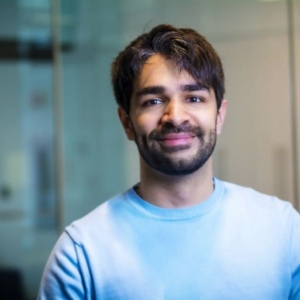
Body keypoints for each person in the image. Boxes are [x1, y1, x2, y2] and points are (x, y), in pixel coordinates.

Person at [38, 24, 300, 299]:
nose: (175, 116)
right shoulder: (81, 254)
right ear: (126, 122)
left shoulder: (285, 231)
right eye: (153, 101)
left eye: (194, 98)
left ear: (219, 116)